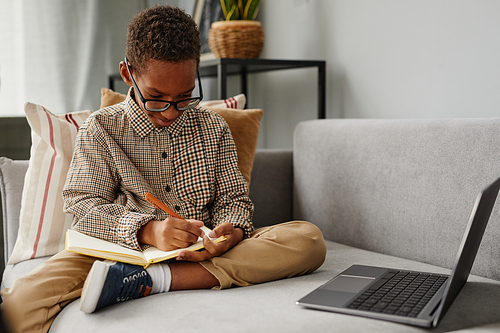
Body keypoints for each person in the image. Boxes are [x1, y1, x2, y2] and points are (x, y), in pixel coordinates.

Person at [1, 5, 326, 332]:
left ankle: (156, 280)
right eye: (156, 98)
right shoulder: (100, 128)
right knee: (18, 304)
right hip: (121, 253)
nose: (171, 112)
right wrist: (149, 230)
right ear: (128, 74)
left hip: (204, 253)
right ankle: (143, 275)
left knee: (308, 240)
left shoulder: (214, 127)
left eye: (184, 97)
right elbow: (83, 207)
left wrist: (232, 232)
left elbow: (234, 200)